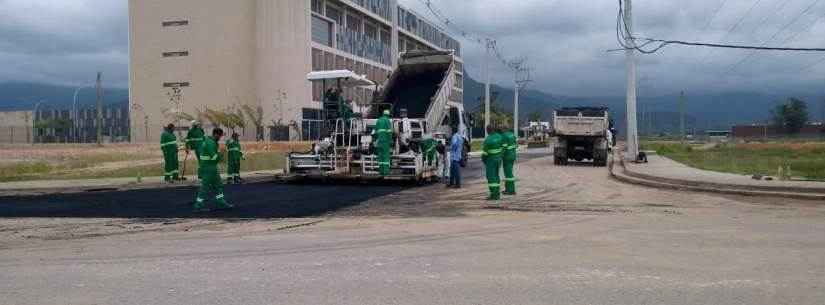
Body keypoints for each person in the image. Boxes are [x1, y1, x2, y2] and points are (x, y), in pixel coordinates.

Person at [194, 128, 233, 212]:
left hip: (212, 167)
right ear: (215, 134)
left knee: (218, 185)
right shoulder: (210, 143)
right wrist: (222, 152)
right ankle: (198, 205)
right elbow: (215, 158)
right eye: (219, 136)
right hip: (208, 168)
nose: (220, 138)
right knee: (204, 187)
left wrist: (222, 150)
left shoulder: (211, 142)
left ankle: (221, 201)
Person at [481, 126, 504, 201]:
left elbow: (484, 154)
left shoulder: (488, 140)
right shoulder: (499, 137)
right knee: (496, 175)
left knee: (491, 177)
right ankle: (497, 193)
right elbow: (503, 148)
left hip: (491, 160)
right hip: (498, 159)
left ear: (487, 131)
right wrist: (500, 156)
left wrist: (485, 161)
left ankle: (493, 195)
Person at [374, 109, 393, 176]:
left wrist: (375, 139)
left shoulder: (378, 120)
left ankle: (381, 172)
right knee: (385, 156)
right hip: (385, 141)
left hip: (379, 142)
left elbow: (375, 131)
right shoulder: (387, 120)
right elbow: (389, 132)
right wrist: (391, 140)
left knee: (380, 156)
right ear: (388, 115)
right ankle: (386, 172)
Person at [501, 129, 518, 195]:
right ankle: (508, 189)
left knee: (508, 174)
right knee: (509, 172)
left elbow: (504, 148)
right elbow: (516, 145)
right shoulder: (512, 134)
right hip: (513, 155)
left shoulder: (504, 136)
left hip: (507, 156)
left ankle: (511, 190)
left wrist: (500, 155)